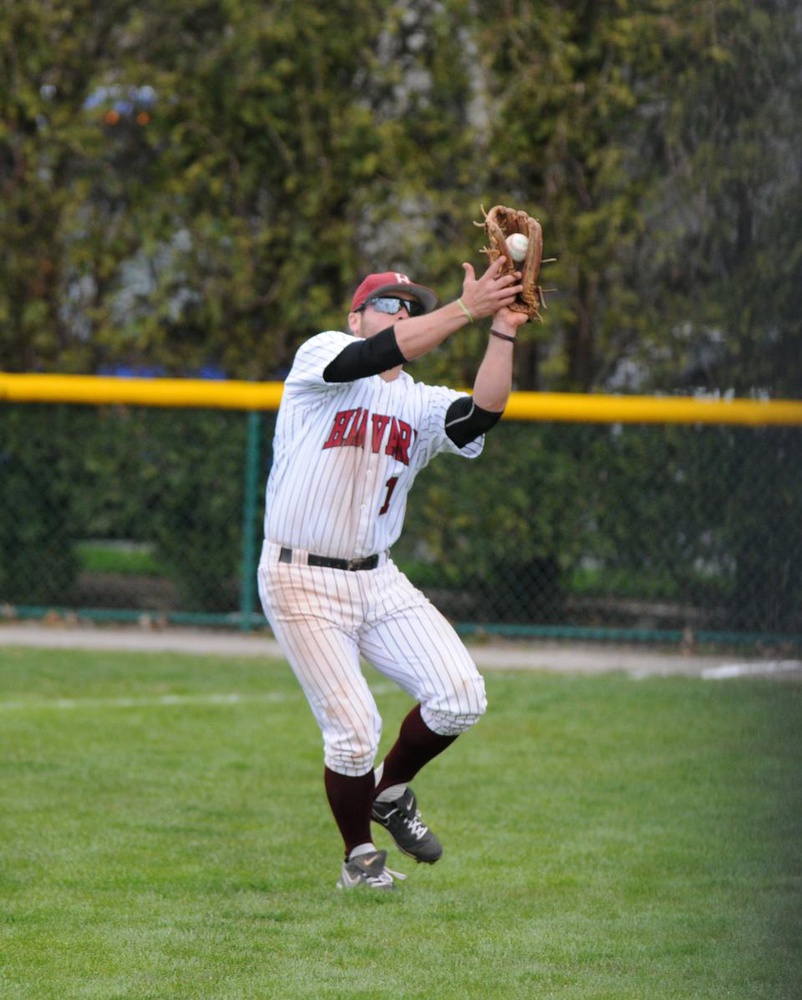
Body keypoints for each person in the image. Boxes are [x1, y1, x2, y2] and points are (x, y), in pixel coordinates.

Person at [257, 253, 528, 890]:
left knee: (461, 696)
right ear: (356, 316)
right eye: (389, 303)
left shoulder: (421, 403)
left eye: (412, 305)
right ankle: (359, 858)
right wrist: (465, 307)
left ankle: (391, 790)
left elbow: (481, 414)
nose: (403, 311)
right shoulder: (321, 358)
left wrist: (502, 327)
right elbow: (366, 357)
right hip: (300, 577)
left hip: (377, 578)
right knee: (354, 731)